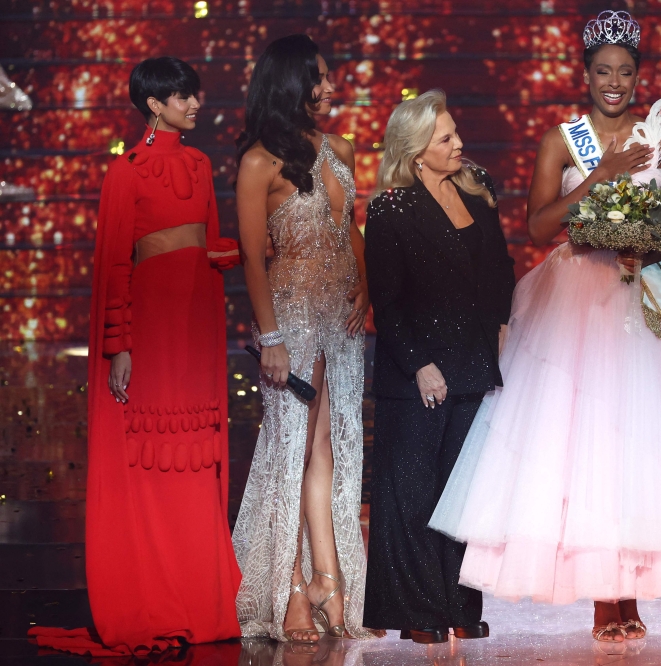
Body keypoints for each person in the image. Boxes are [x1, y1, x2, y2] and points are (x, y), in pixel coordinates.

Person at [428, 10, 661, 643]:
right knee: (588, 443)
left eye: (626, 72)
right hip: (580, 303)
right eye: (604, 72)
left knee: (644, 445)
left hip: (648, 290)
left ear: (637, 75)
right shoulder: (562, 140)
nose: (615, 83)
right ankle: (605, 600)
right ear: (586, 74)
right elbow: (540, 227)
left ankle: (630, 590)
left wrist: (641, 235)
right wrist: (601, 180)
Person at [30, 57, 242, 655]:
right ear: (154, 103)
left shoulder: (201, 165)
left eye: (195, 94)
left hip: (197, 322)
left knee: (196, 456)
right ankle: (152, 592)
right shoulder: (124, 173)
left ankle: (202, 597)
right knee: (152, 456)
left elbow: (208, 243)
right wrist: (119, 347)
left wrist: (245, 253)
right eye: (183, 95)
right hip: (150, 327)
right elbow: (116, 265)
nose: (195, 103)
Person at [231, 34, 374, 642]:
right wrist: (270, 337)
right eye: (318, 78)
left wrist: (366, 289)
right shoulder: (259, 162)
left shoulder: (338, 147)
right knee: (290, 456)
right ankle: (289, 592)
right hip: (290, 322)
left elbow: (350, 231)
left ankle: (329, 584)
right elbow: (251, 258)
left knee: (330, 454)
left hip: (340, 324)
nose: (330, 87)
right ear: (291, 83)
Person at [362, 90, 516, 645]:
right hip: (418, 372)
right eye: (445, 138)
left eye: (455, 133)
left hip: (474, 364)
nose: (459, 144)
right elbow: (388, 299)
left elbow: (501, 267)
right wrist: (420, 364)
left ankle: (459, 603)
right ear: (415, 150)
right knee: (414, 494)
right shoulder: (389, 209)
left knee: (462, 493)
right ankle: (417, 612)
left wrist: (500, 324)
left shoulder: (477, 190)